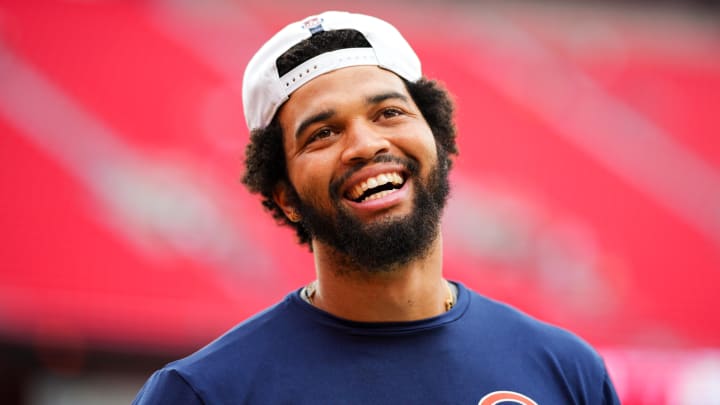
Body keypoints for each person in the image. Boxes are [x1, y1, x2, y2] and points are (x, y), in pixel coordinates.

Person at [133, 10, 620, 404]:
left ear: (439, 139)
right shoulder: (204, 393)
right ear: (286, 197)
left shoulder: (565, 370)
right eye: (322, 133)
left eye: (389, 112)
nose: (365, 145)